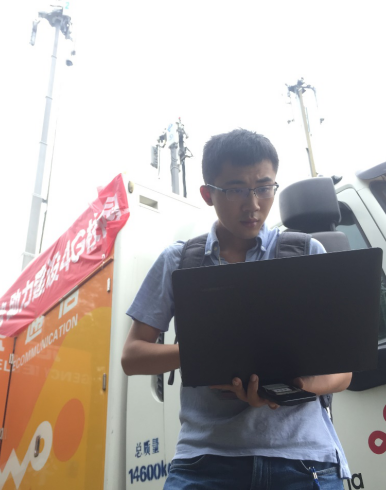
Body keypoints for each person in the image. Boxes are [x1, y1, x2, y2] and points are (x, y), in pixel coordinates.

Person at [121, 129, 352, 489]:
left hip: (303, 462)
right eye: (235, 190)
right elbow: (132, 356)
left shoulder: (308, 254)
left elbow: (343, 370)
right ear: (208, 194)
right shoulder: (178, 262)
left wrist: (290, 388)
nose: (253, 204)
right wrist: (205, 353)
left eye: (264, 187)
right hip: (204, 464)